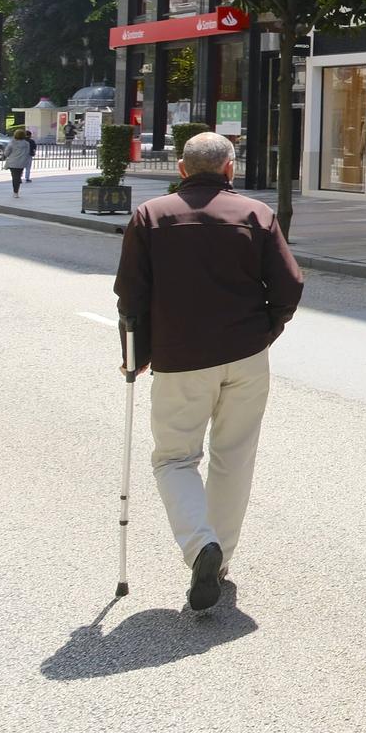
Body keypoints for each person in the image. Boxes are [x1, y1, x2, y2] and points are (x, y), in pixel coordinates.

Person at [114, 132, 303, 612]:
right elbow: (289, 286)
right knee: (234, 456)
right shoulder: (257, 215)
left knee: (175, 458)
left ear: (181, 170)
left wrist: (135, 356)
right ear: (230, 169)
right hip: (245, 354)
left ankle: (201, 545)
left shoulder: (152, 216)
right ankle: (219, 562)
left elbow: (130, 297)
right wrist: (264, 332)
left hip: (179, 358)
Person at [4, 128, 32, 195]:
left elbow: (6, 153)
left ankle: (15, 191)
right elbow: (27, 152)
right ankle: (16, 190)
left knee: (14, 177)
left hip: (13, 162)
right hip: (22, 162)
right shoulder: (26, 143)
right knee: (18, 176)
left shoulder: (12, 143)